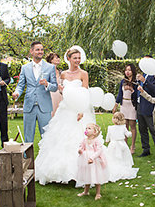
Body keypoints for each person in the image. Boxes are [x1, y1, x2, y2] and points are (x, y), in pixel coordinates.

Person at [34, 48, 95, 185]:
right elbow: (63, 93)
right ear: (69, 59)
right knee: (60, 139)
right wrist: (62, 91)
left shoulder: (83, 74)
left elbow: (85, 93)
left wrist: (81, 110)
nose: (78, 60)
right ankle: (58, 172)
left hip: (78, 110)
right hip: (65, 109)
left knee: (78, 139)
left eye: (79, 58)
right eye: (75, 58)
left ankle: (79, 173)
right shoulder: (63, 75)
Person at [12, 41, 58, 143]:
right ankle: (27, 158)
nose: (40, 52)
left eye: (42, 49)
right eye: (37, 49)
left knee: (46, 136)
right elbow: (21, 85)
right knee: (28, 135)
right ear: (31, 51)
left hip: (44, 106)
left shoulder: (50, 68)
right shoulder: (25, 68)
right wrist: (17, 93)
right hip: (29, 105)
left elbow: (55, 87)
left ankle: (46, 158)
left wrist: (47, 84)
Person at [135, 56, 155, 157]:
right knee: (142, 129)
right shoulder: (142, 75)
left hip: (149, 107)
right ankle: (146, 149)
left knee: (153, 130)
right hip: (140, 105)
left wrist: (145, 81)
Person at [76, 123, 109, 200]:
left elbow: (99, 151)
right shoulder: (85, 140)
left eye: (89, 128)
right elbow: (82, 147)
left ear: (94, 132)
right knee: (87, 175)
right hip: (86, 160)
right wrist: (80, 150)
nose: (86, 130)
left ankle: (98, 193)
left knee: (97, 176)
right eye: (86, 128)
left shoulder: (96, 141)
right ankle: (86, 191)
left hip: (94, 161)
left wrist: (92, 157)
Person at [104, 112, 139, 181]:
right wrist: (130, 133)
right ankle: (122, 167)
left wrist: (107, 140)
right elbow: (128, 134)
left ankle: (114, 168)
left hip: (113, 144)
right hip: (122, 144)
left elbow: (108, 136)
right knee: (123, 157)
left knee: (113, 157)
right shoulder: (123, 127)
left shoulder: (110, 128)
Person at [112, 64, 138, 153]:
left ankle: (133, 146)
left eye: (129, 70)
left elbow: (137, 94)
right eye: (126, 70)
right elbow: (120, 94)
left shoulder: (136, 81)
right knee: (124, 126)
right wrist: (116, 105)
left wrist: (132, 90)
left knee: (132, 126)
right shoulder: (123, 81)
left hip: (132, 105)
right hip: (124, 104)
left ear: (133, 71)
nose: (127, 72)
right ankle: (125, 145)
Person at [46, 52, 63, 116]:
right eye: (56, 58)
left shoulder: (61, 71)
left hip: (60, 94)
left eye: (58, 57)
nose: (58, 59)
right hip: (52, 94)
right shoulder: (47, 71)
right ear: (51, 60)